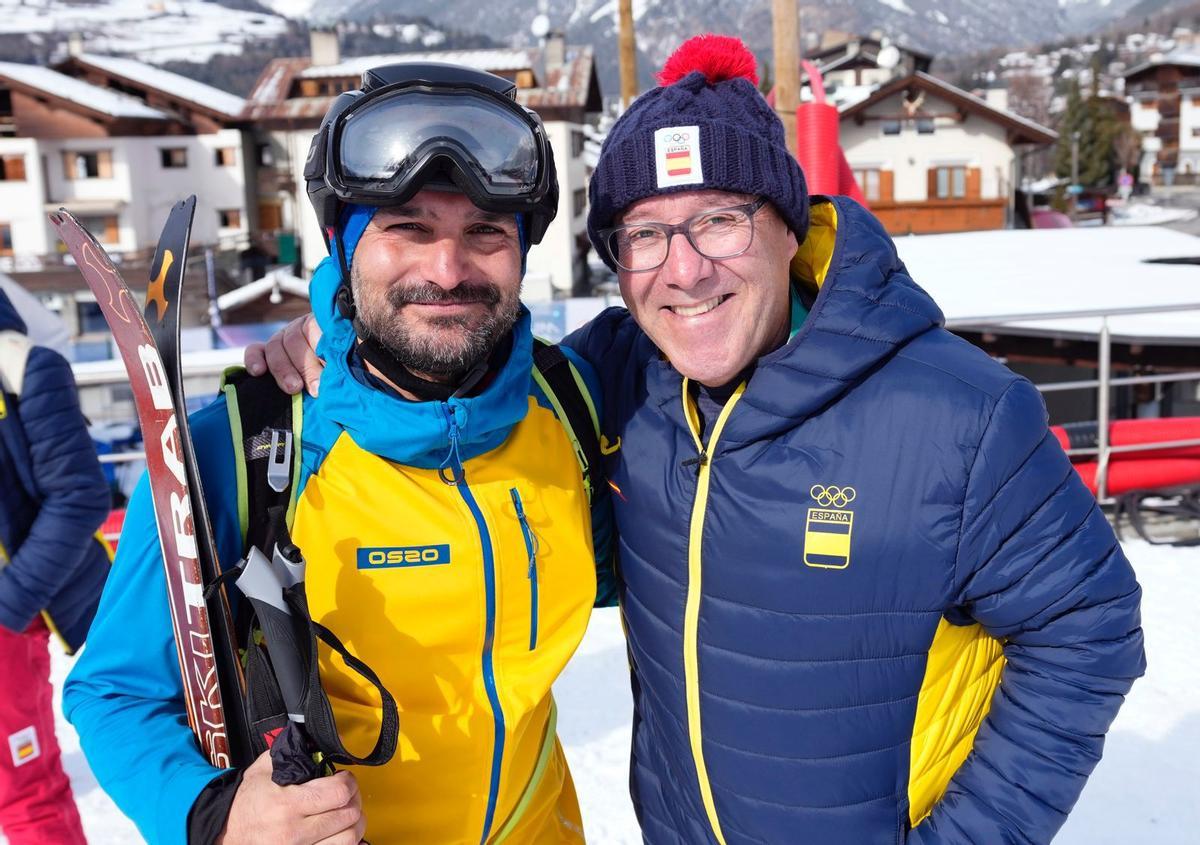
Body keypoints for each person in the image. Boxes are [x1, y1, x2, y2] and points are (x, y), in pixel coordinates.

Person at [250, 35, 1146, 845]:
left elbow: (1091, 628)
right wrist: (330, 332)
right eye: (644, 233)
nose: (685, 269)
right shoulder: (623, 376)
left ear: (789, 228)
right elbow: (456, 350)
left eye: (719, 218)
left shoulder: (961, 414)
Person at [64, 61, 614, 845]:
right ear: (342, 247)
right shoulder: (246, 445)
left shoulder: (572, 408)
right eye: (408, 229)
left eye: (485, 233)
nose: (448, 269)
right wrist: (213, 817)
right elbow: (113, 689)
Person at [0, 286, 111, 845]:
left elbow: (79, 496)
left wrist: (8, 605)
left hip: (7, 625)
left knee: (25, 793)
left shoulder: (22, 365)